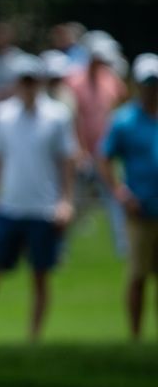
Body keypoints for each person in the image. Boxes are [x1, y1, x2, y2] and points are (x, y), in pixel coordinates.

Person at [0, 54, 76, 344]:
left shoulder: (58, 115)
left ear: (39, 83)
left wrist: (65, 201)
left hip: (43, 207)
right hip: (10, 205)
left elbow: (66, 160)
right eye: (23, 81)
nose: (28, 87)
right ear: (17, 83)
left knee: (40, 275)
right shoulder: (1, 114)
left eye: (32, 81)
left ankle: (34, 339)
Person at [100, 54, 158, 341]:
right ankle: (135, 338)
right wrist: (121, 193)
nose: (152, 90)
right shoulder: (124, 121)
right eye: (147, 84)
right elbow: (105, 159)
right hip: (140, 210)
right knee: (138, 276)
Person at [66, 35, 130, 257]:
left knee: (115, 198)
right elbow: (72, 118)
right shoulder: (73, 81)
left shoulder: (110, 79)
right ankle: (59, 250)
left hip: (105, 153)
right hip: (82, 153)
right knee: (74, 202)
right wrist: (79, 149)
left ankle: (124, 248)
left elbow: (121, 106)